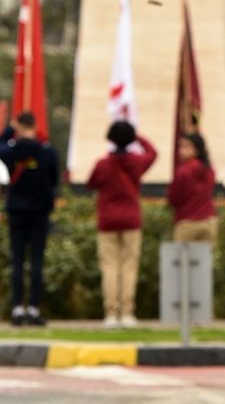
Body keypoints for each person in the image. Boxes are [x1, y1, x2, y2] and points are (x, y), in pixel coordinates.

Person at [87, 121, 157, 328]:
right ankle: (127, 313)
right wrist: (138, 137)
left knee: (109, 266)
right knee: (129, 266)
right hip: (131, 219)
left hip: (107, 220)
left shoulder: (103, 164)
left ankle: (111, 313)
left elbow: (91, 183)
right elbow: (153, 153)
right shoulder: (136, 162)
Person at [0, 112, 59, 326]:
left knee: (18, 261)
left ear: (19, 127)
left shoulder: (12, 151)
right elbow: (54, 180)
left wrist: (9, 129)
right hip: (40, 212)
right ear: (34, 126)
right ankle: (34, 308)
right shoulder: (47, 152)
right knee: (37, 261)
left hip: (17, 213)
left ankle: (17, 308)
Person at [167, 133, 217, 245]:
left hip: (187, 222)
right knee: (205, 255)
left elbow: (173, 198)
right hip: (209, 220)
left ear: (197, 149)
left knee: (182, 256)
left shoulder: (183, 171)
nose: (181, 150)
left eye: (186, 146)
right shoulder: (209, 169)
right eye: (180, 146)